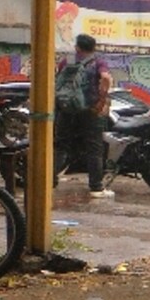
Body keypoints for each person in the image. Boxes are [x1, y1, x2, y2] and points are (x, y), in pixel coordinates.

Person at [54, 33, 113, 198]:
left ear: (77, 47)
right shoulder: (97, 62)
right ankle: (96, 187)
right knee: (94, 148)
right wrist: (102, 98)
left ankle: (50, 180)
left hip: (67, 109)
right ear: (93, 48)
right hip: (89, 110)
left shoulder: (68, 60)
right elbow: (106, 78)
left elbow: (59, 81)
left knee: (60, 146)